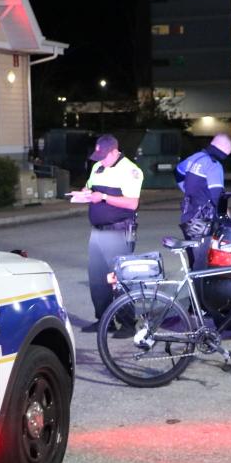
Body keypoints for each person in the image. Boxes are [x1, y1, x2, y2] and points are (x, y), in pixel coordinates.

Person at [78, 134, 144, 332]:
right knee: (97, 279)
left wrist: (104, 197)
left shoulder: (131, 170)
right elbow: (90, 187)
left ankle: (128, 324)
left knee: (120, 278)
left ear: (115, 151)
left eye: (104, 156)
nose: (100, 160)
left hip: (119, 230)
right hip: (98, 231)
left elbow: (132, 203)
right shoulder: (98, 167)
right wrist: (83, 193)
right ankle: (104, 321)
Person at [174, 133, 231, 268]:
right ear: (225, 149)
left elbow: (177, 172)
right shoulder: (214, 165)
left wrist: (186, 189)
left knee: (193, 260)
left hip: (188, 218)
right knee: (202, 264)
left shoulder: (194, 158)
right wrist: (228, 217)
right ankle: (199, 288)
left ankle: (194, 286)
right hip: (203, 223)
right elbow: (217, 197)